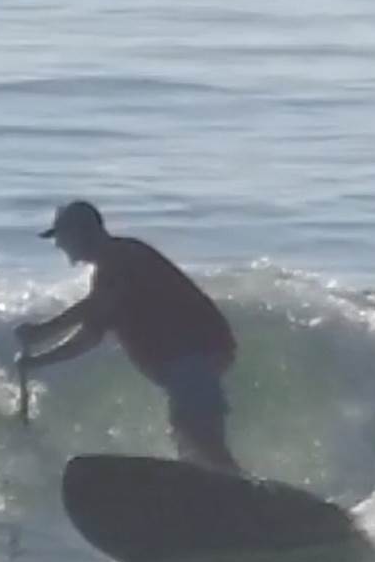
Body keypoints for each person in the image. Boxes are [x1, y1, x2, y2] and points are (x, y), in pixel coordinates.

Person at [14, 200, 243, 476]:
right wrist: (38, 361)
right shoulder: (108, 271)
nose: (59, 245)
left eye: (61, 236)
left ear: (80, 232)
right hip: (186, 363)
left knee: (202, 441)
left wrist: (42, 331)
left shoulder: (123, 256)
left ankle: (247, 492)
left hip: (196, 354)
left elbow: (94, 305)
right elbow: (89, 337)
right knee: (189, 441)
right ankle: (223, 490)